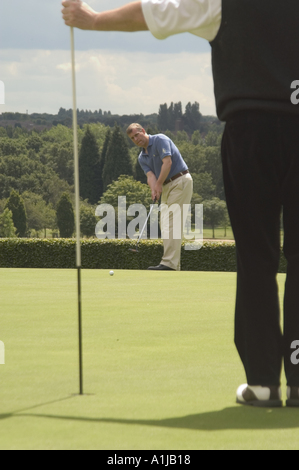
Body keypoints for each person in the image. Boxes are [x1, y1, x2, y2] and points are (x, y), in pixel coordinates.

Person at [62, 0, 299, 407]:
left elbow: (153, 13)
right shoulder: (143, 154)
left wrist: (93, 19)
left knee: (257, 258)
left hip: (248, 130)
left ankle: (262, 383)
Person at [126, 123, 193, 271]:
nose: (136, 139)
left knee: (172, 223)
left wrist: (159, 184)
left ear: (143, 131)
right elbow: (150, 176)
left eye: (137, 134)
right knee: (165, 224)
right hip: (166, 186)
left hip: (180, 181)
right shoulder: (142, 157)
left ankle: (169, 264)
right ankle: (173, 264)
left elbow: (167, 163)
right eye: (132, 138)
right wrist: (154, 189)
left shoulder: (160, 140)